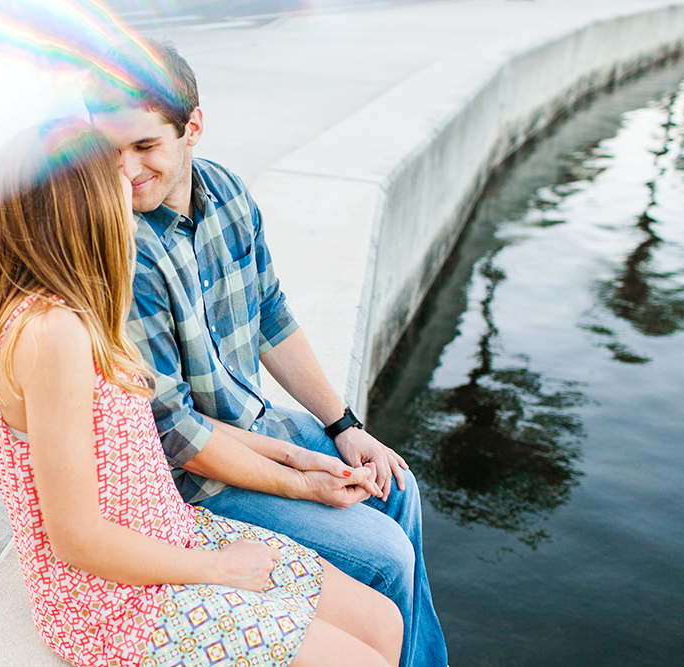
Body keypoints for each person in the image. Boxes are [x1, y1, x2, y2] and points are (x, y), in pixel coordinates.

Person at [0, 119, 403, 667]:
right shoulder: (52, 334)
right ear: (84, 209)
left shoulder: (85, 310)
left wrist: (297, 458)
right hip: (116, 605)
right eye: (114, 178)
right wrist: (221, 571)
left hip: (171, 535)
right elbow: (74, 537)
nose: (131, 183)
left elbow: (145, 430)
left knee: (381, 622)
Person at [84, 40, 448, 667]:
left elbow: (272, 316)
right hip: (195, 481)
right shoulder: (124, 248)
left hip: (258, 430)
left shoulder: (223, 190)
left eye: (145, 147)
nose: (126, 171)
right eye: (109, 150)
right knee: (385, 557)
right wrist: (304, 482)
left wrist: (342, 425)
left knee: (397, 487)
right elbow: (173, 433)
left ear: (192, 127)